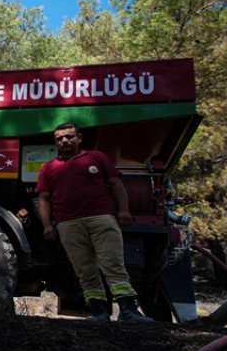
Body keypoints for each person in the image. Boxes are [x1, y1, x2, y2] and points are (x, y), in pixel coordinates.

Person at [36, 122, 155, 324]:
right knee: (84, 270)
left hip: (101, 219)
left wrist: (123, 210)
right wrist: (48, 225)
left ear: (79, 138)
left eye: (69, 136)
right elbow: (44, 199)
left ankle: (128, 311)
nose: (64, 141)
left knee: (113, 264)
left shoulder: (97, 158)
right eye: (59, 138)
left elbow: (116, 183)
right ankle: (99, 312)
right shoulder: (49, 168)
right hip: (68, 224)